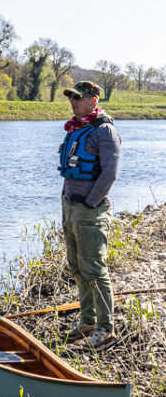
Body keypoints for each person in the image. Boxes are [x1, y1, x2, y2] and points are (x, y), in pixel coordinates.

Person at [58, 80, 121, 351]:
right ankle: (87, 322)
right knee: (76, 267)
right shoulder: (76, 129)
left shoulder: (105, 131)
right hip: (70, 208)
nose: (73, 101)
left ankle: (105, 328)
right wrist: (67, 200)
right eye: (72, 97)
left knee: (94, 270)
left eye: (79, 98)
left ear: (93, 101)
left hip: (90, 211)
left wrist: (91, 202)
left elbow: (110, 173)